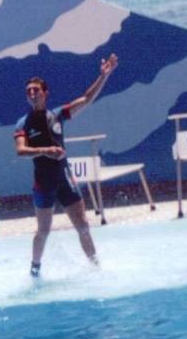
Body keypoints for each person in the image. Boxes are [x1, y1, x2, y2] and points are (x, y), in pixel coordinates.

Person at [13, 54, 119, 278]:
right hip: (43, 183)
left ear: (45, 93)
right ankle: (35, 268)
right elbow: (20, 150)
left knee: (83, 226)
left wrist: (104, 76)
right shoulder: (24, 123)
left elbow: (87, 99)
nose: (32, 94)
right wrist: (45, 150)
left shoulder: (58, 115)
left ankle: (95, 267)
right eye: (29, 91)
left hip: (64, 179)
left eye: (36, 90)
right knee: (43, 231)